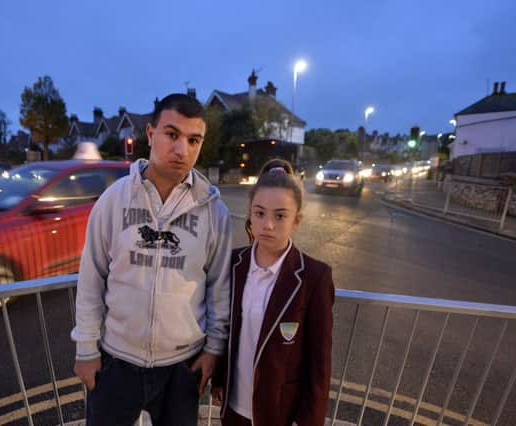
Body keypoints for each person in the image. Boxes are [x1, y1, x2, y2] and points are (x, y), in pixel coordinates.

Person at [71, 93, 232, 426]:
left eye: (194, 140)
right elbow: (91, 277)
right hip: (116, 361)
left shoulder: (214, 211)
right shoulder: (114, 200)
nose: (182, 149)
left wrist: (214, 349)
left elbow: (219, 284)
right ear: (150, 134)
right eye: (172, 135)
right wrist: (86, 349)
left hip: (182, 366)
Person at [212, 159, 335, 426]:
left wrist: (308, 421)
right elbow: (227, 329)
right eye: (259, 213)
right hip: (233, 408)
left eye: (280, 216)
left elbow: (319, 364)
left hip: (279, 412)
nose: (268, 225)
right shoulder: (234, 264)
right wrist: (219, 379)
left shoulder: (314, 277)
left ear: (296, 220)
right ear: (249, 214)